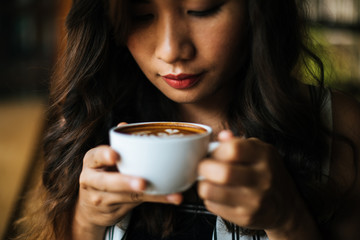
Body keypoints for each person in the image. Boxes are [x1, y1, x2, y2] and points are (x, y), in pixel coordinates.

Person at [15, 0, 360, 239]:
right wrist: (86, 221)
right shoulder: (91, 118)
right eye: (141, 15)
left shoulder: (337, 126)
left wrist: (289, 220)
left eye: (201, 9)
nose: (171, 50)